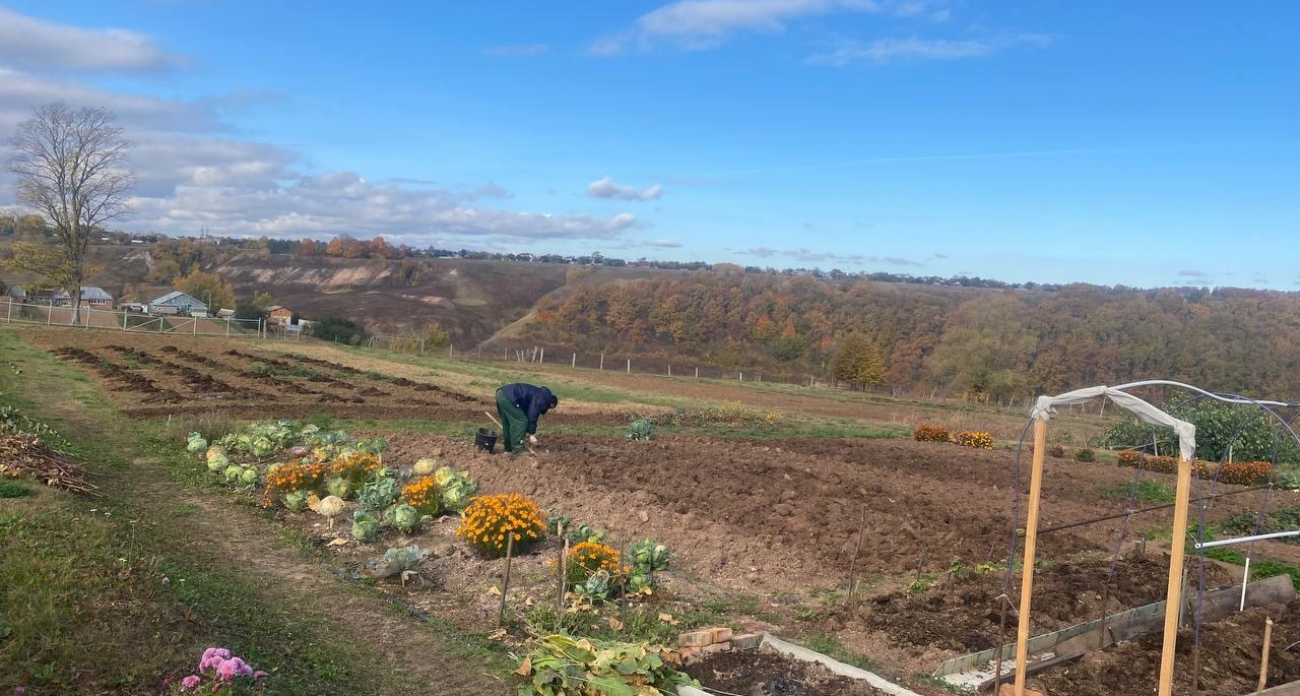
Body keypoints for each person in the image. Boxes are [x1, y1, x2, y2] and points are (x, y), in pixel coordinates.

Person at [494, 383, 558, 454]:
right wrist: (531, 434)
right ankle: (518, 450)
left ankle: (509, 448)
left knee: (509, 422)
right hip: (510, 397)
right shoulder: (541, 399)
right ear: (551, 404)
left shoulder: (538, 393)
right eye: (549, 407)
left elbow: (525, 413)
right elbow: (532, 414)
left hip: (501, 393)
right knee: (521, 422)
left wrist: (527, 430)